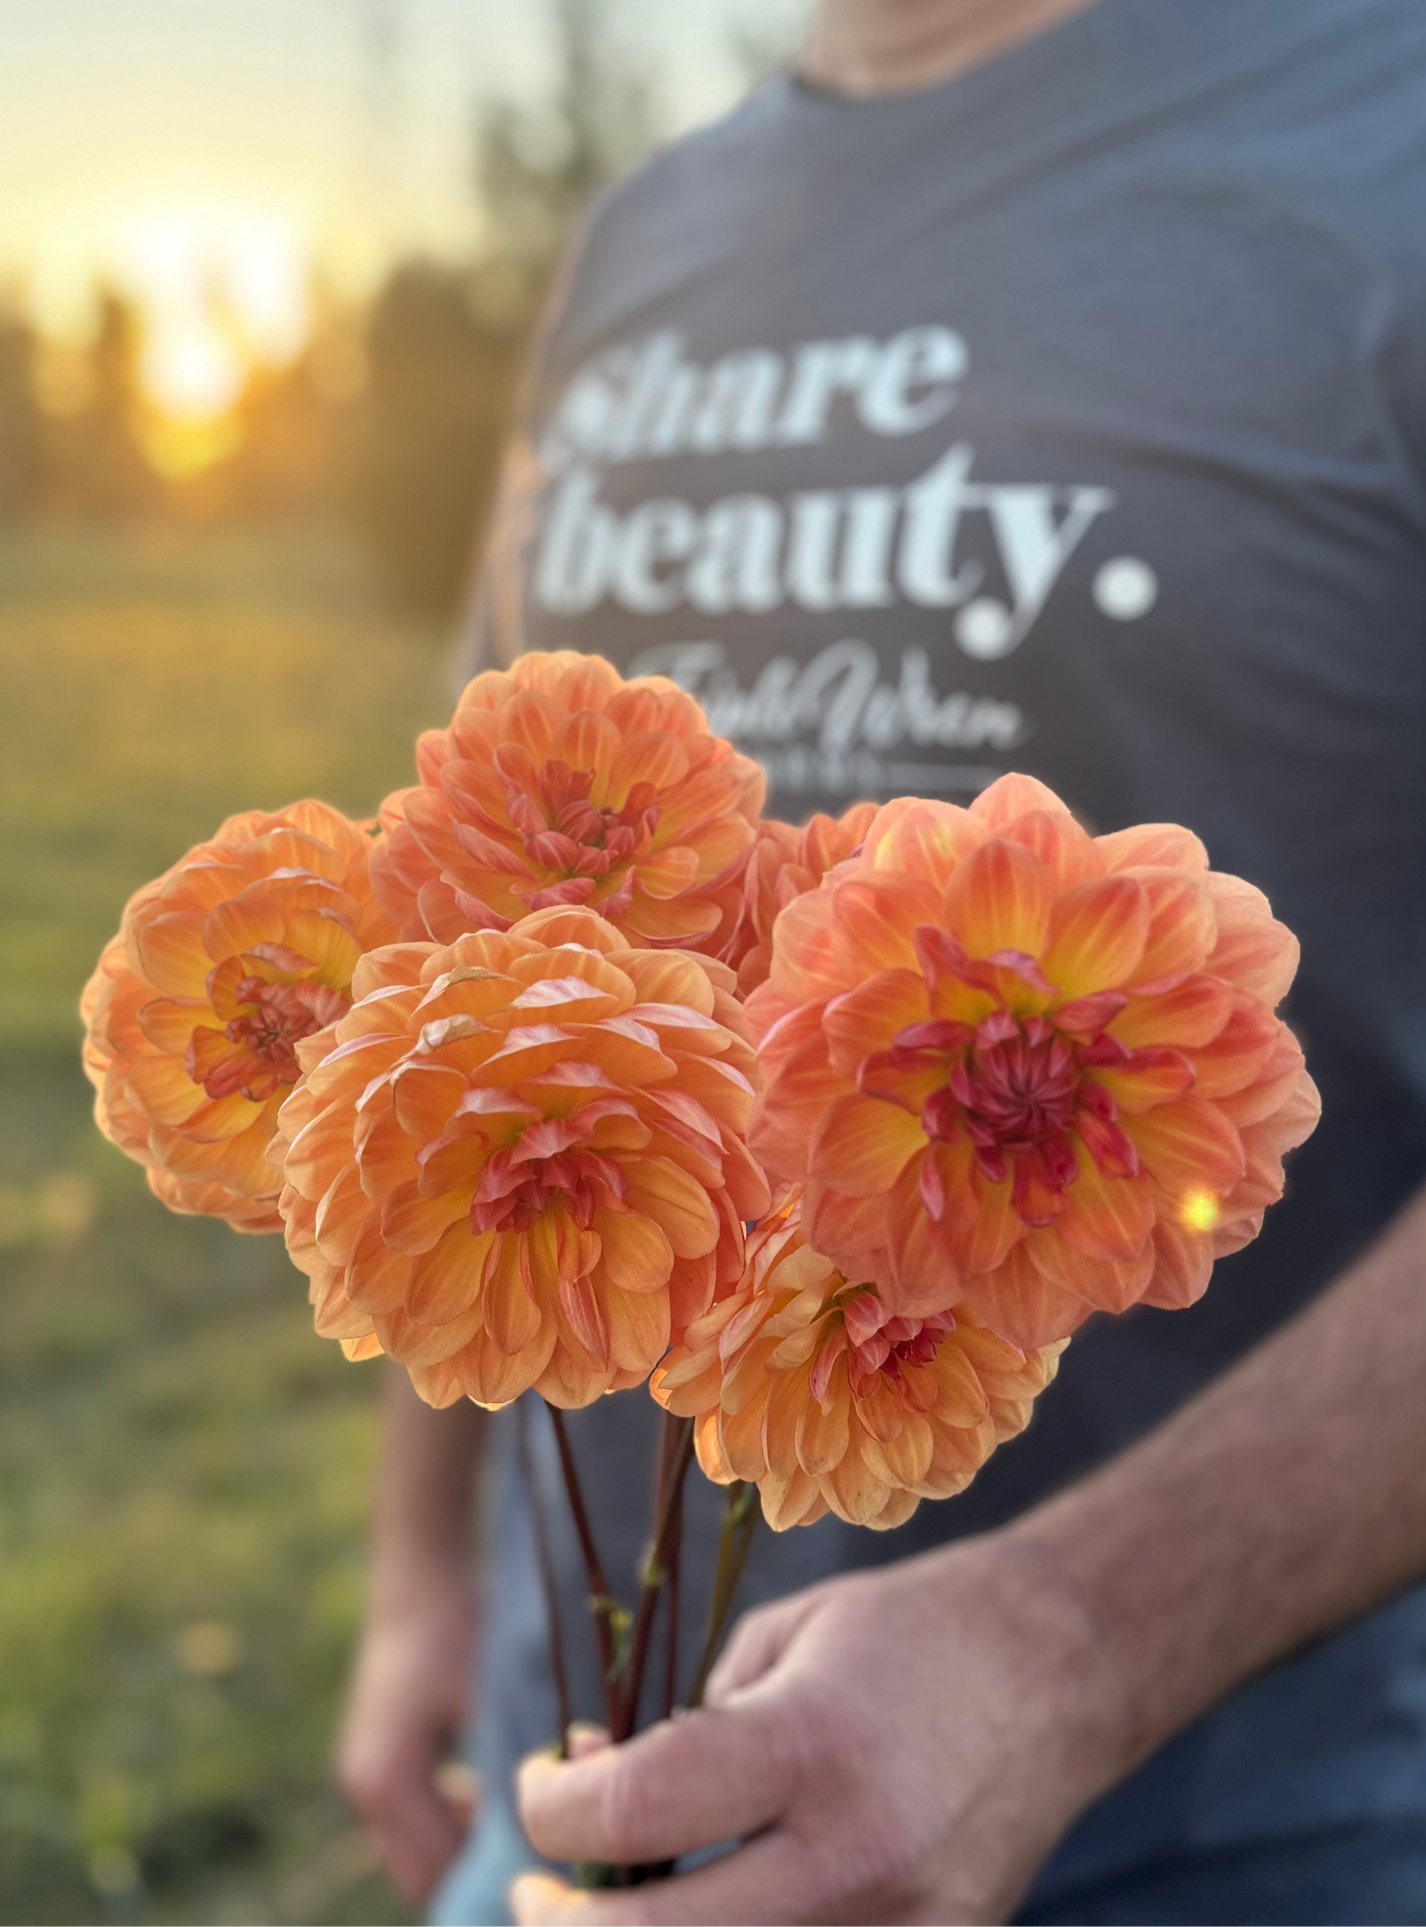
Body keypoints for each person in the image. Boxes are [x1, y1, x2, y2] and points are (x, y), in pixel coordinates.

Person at [339, 0, 1426, 1921]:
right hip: (581, 1789)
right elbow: (467, 952)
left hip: (1229, 1835)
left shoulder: (1383, 130)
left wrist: (1065, 1647)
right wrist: (421, 1572)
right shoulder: (645, 229)